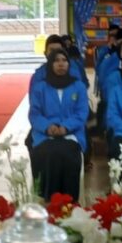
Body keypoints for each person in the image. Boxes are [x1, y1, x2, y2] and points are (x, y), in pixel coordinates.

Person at [28, 49, 89, 201]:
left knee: (68, 152)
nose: (61, 64)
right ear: (50, 64)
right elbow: (34, 114)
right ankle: (50, 199)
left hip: (71, 133)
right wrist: (48, 127)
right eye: (56, 60)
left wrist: (65, 127)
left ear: (69, 64)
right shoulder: (40, 87)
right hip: (45, 134)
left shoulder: (78, 86)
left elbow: (82, 112)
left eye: (64, 60)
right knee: (49, 153)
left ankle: (69, 200)